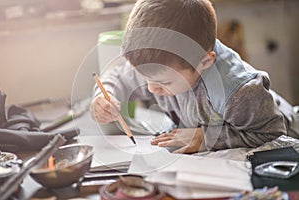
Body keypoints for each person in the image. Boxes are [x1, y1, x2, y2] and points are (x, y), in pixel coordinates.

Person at [90, 0, 299, 154]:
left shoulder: (239, 92)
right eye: (145, 79)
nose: (151, 89)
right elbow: (119, 75)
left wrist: (206, 138)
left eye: (164, 83)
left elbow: (272, 135)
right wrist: (104, 94)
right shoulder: (162, 65)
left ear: (204, 63)